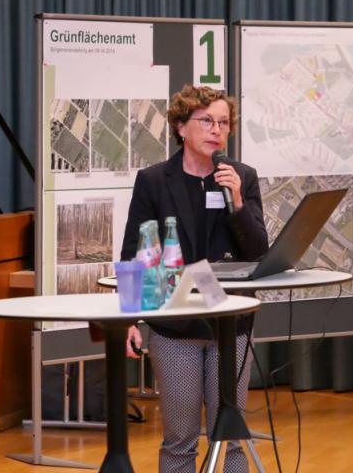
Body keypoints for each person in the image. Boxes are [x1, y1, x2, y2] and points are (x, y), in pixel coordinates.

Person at [121, 84, 268, 473]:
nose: (217, 130)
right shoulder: (154, 180)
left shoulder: (242, 177)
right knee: (180, 439)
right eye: (206, 121)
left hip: (230, 324)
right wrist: (128, 319)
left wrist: (238, 201)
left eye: (224, 123)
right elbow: (135, 249)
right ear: (181, 127)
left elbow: (257, 250)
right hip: (175, 324)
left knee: (230, 437)